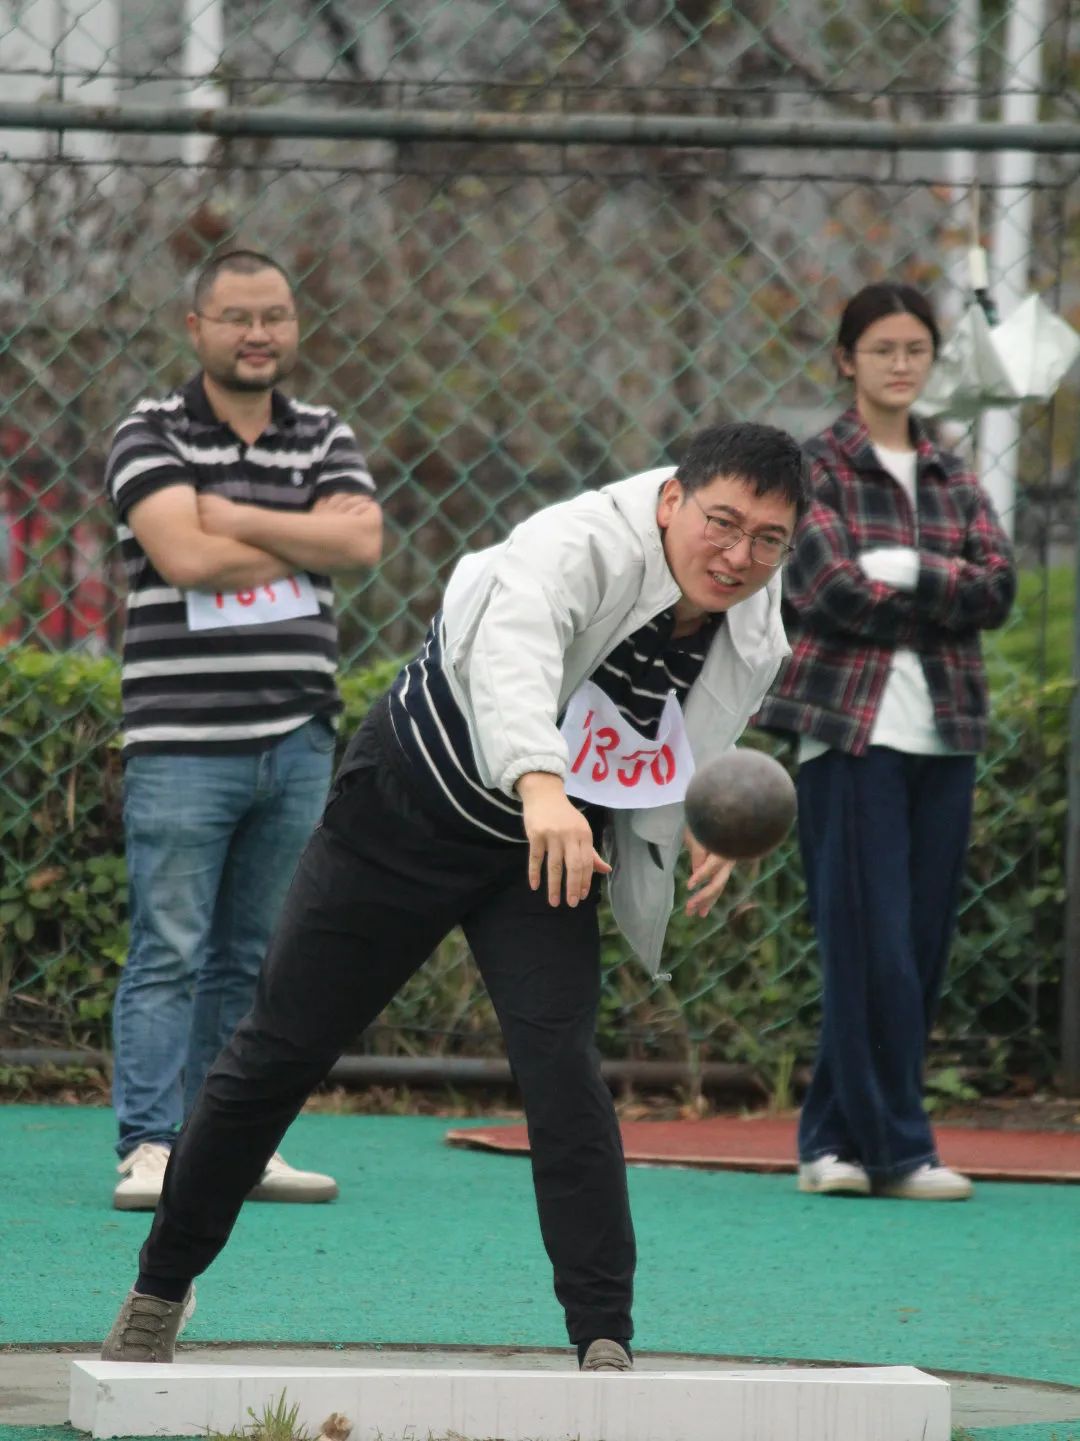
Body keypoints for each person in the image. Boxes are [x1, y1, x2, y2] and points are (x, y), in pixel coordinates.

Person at [100, 421, 807, 1368]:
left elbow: (690, 724)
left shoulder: (752, 605)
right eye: (722, 523)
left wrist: (699, 812)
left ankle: (604, 1334)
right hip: (407, 816)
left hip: (543, 853)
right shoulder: (575, 542)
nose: (739, 555)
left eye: (768, 539)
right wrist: (542, 786)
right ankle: (160, 1285)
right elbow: (512, 654)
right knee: (280, 1049)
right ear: (672, 500)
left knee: (564, 1072)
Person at [106, 249, 383, 1211]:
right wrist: (297, 531)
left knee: (259, 955)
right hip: (182, 738)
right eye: (237, 317)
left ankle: (230, 1146)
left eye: (275, 315)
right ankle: (150, 1145)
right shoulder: (150, 430)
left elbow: (361, 540)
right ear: (197, 328)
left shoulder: (324, 431)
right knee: (170, 949)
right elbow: (181, 556)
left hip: (298, 737)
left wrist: (227, 512)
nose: (258, 334)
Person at [755, 282, 1016, 1202]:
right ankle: (900, 1149)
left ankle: (830, 1141)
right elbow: (827, 589)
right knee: (872, 947)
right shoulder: (813, 467)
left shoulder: (952, 472)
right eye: (882, 350)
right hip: (850, 734)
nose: (901, 365)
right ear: (846, 360)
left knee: (919, 946)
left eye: (915, 350)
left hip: (945, 733)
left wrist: (905, 569)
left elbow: (999, 588)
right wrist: (945, 588)